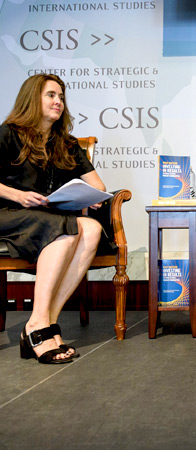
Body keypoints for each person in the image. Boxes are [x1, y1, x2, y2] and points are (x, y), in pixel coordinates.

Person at [0, 74, 106, 364]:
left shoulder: (66, 143)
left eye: (61, 96)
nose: (58, 101)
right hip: (8, 214)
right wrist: (18, 195)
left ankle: (43, 323)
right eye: (50, 95)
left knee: (93, 229)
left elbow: (97, 184)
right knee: (66, 227)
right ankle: (36, 326)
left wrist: (93, 195)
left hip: (46, 217)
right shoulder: (8, 133)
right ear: (32, 98)